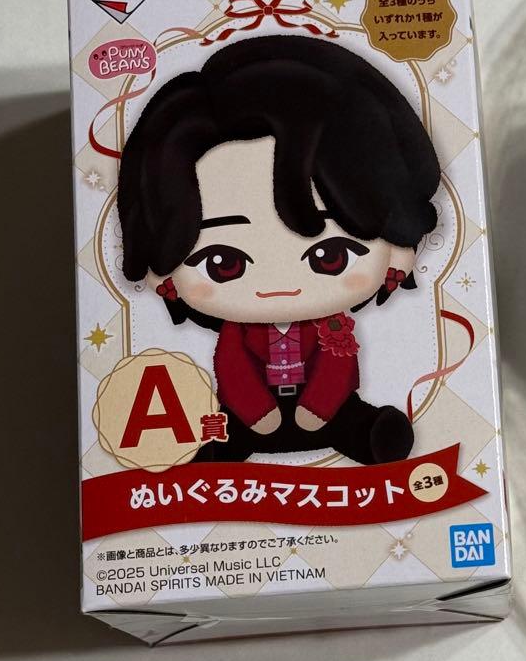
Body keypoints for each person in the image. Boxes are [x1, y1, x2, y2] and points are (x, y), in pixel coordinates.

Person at [118, 34, 440, 464]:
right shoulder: (239, 334)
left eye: (330, 257)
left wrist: (318, 408)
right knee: (222, 436)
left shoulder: (334, 328)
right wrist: (257, 413)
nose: (278, 287)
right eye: (224, 263)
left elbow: (337, 367)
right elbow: (233, 368)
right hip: (251, 418)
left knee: (354, 422)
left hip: (328, 412)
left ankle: (369, 435)